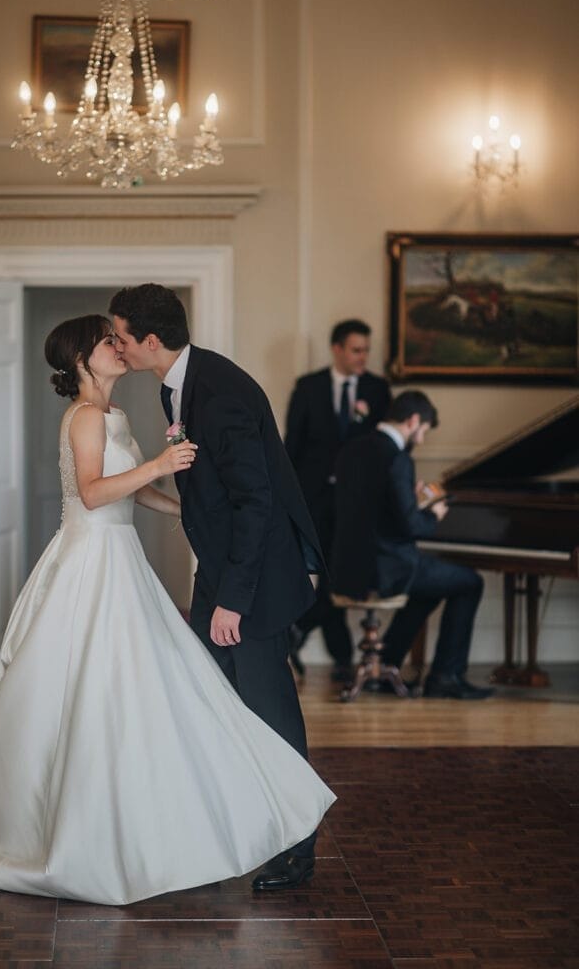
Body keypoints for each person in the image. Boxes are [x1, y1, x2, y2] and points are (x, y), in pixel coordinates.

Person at [0, 314, 335, 906]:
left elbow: (136, 492)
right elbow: (92, 493)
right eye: (105, 342)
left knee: (156, 692)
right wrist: (161, 465)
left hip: (123, 558)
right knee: (100, 690)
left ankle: (173, 825)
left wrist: (186, 512)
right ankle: (94, 828)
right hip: (91, 561)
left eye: (118, 339)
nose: (117, 349)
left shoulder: (116, 415)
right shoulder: (86, 417)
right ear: (81, 361)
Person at [109, 284, 327, 892]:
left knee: (270, 714)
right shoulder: (180, 382)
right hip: (224, 572)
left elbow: (255, 503)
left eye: (122, 336)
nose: (118, 346)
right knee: (217, 705)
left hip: (250, 583)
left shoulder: (222, 390)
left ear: (151, 340)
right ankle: (235, 827)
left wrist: (232, 598)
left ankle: (297, 848)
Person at [331, 389, 493, 700]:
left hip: (347, 567)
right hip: (385, 568)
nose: (420, 440)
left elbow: (376, 511)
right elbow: (410, 527)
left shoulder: (352, 449)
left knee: (431, 587)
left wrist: (409, 500)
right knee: (470, 582)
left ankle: (388, 663)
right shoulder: (398, 458)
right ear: (414, 420)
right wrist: (434, 513)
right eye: (423, 432)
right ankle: (446, 675)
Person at [284, 319, 391, 681]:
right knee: (328, 575)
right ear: (337, 349)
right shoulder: (309, 387)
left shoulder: (377, 391)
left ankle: (303, 632)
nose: (363, 357)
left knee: (341, 577)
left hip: (358, 504)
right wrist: (288, 501)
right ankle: (342, 658)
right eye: (356, 349)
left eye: (366, 350)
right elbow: (292, 447)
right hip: (315, 500)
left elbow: (383, 450)